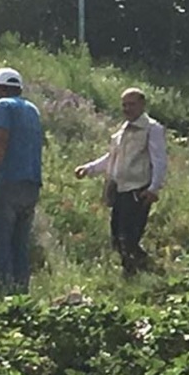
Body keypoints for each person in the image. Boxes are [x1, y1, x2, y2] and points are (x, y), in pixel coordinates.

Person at [74, 87, 168, 275]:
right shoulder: (122, 131)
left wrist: (153, 189)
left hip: (138, 190)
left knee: (128, 238)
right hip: (119, 190)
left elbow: (159, 160)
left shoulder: (152, 129)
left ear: (142, 105)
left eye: (131, 104)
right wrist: (89, 168)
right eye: (124, 105)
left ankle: (135, 274)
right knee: (117, 237)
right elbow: (112, 157)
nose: (127, 109)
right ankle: (146, 269)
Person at [0, 67, 43, 294]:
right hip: (31, 183)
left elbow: (1, 142)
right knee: (19, 243)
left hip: (8, 182)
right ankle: (21, 295)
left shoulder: (3, 106)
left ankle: (2, 293)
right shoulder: (32, 110)